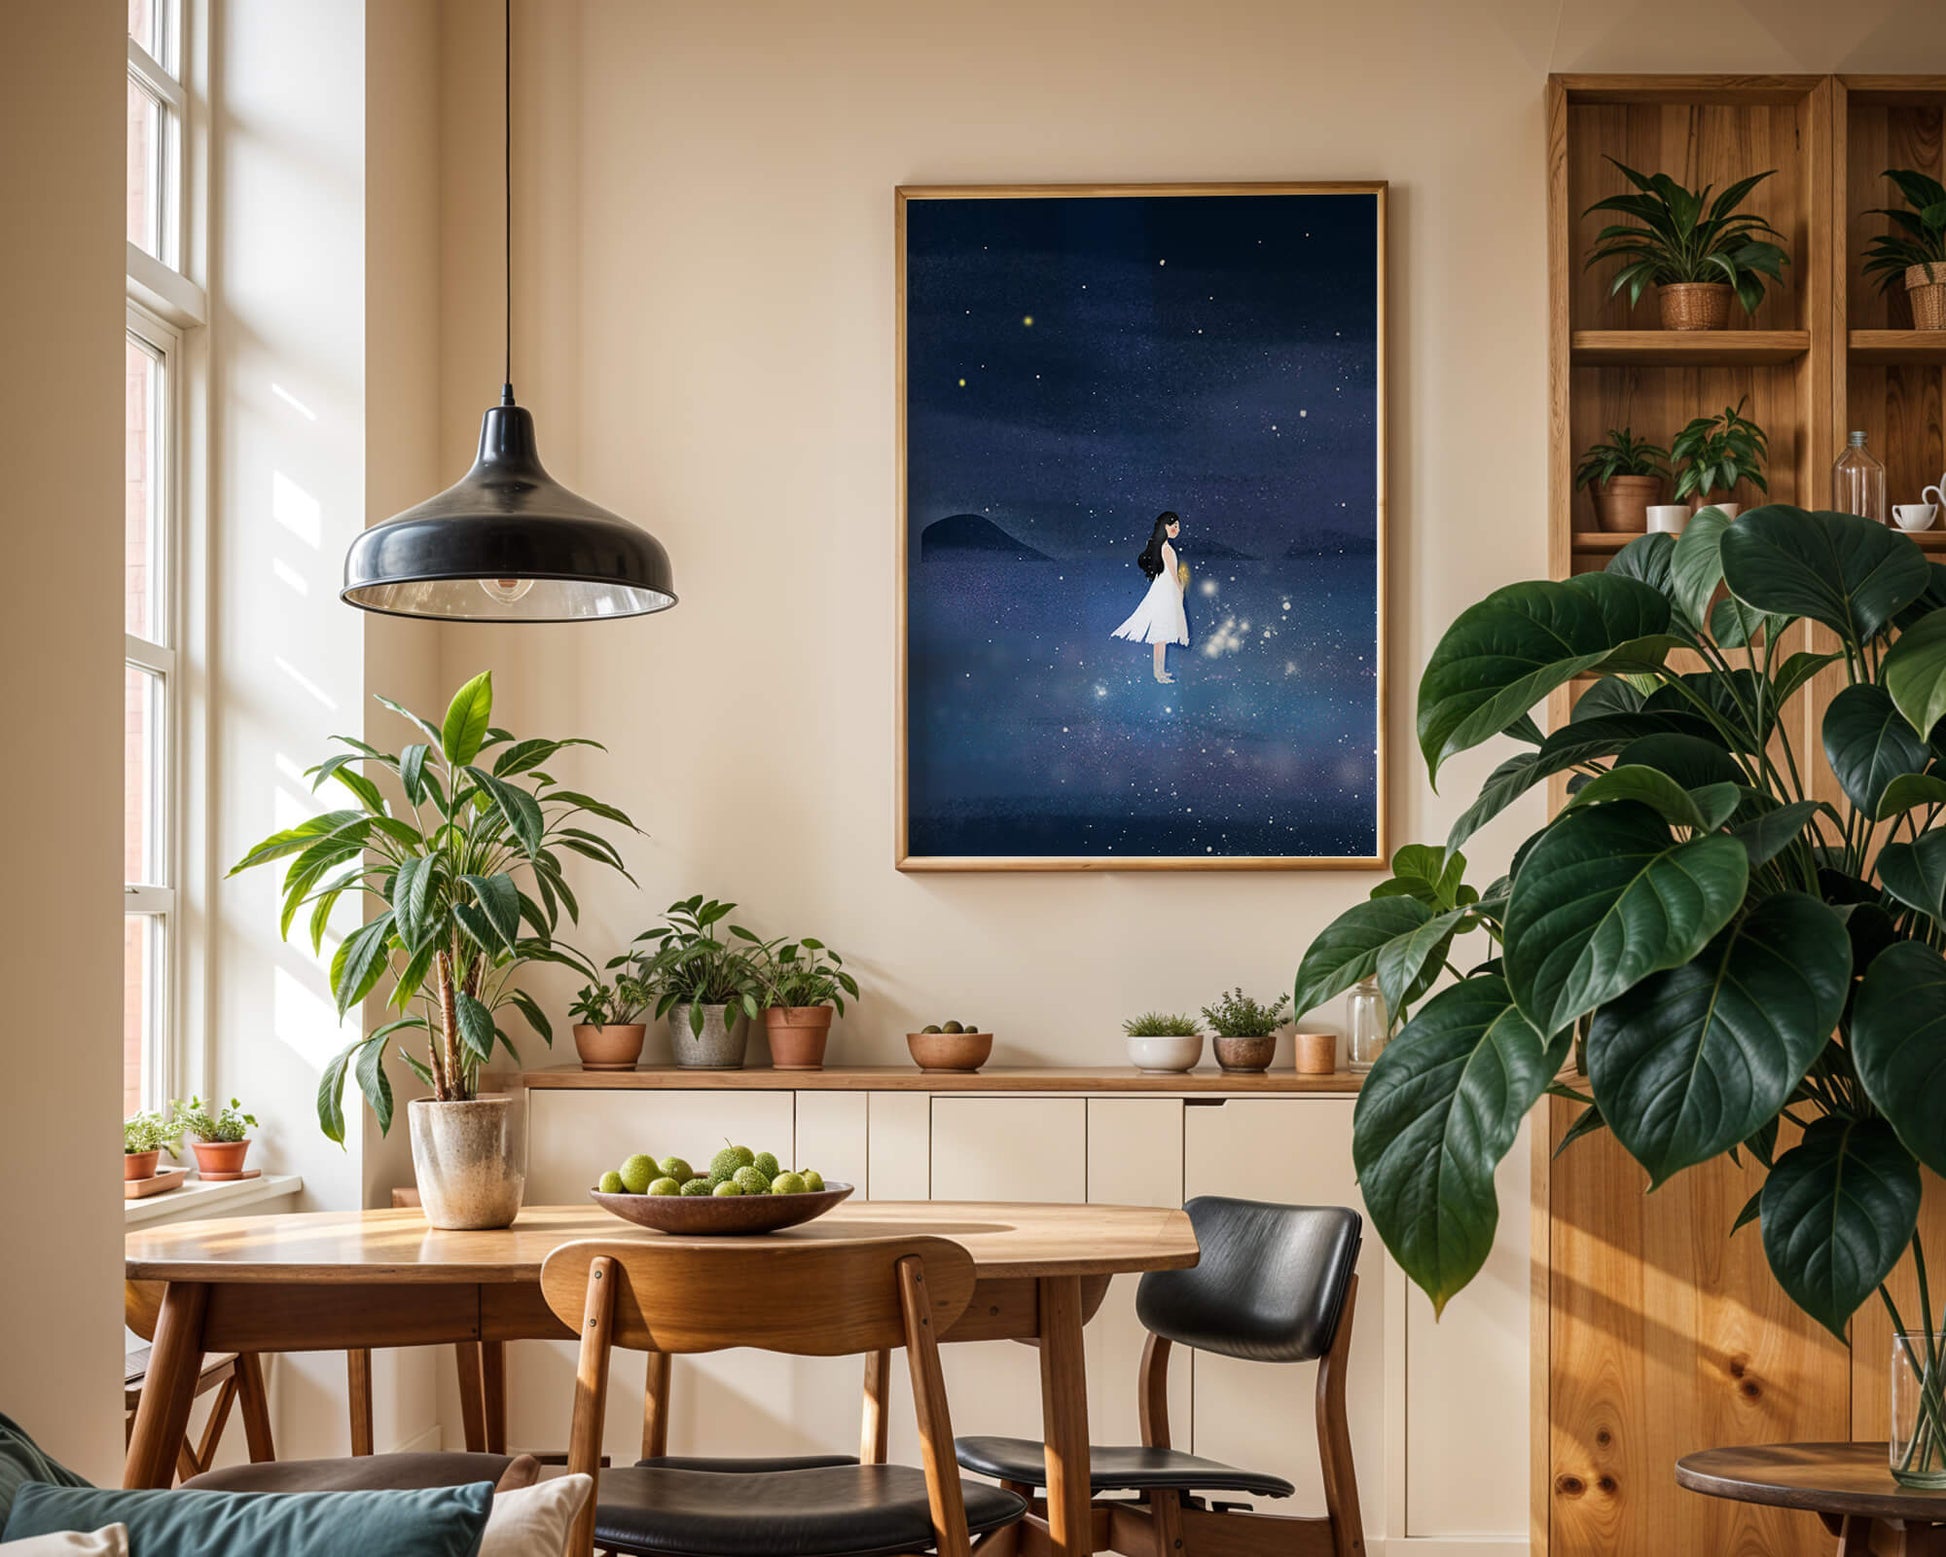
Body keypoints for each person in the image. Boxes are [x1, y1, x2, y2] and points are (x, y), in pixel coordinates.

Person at [1111, 511, 1190, 684]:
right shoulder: (1167, 549)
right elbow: (1173, 575)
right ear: (1165, 527)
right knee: (1160, 635)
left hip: (1163, 591)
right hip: (1166, 593)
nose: (1177, 529)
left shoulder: (1163, 547)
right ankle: (1158, 673)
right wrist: (1181, 589)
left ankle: (1159, 671)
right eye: (1173, 525)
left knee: (1161, 636)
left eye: (1178, 526)